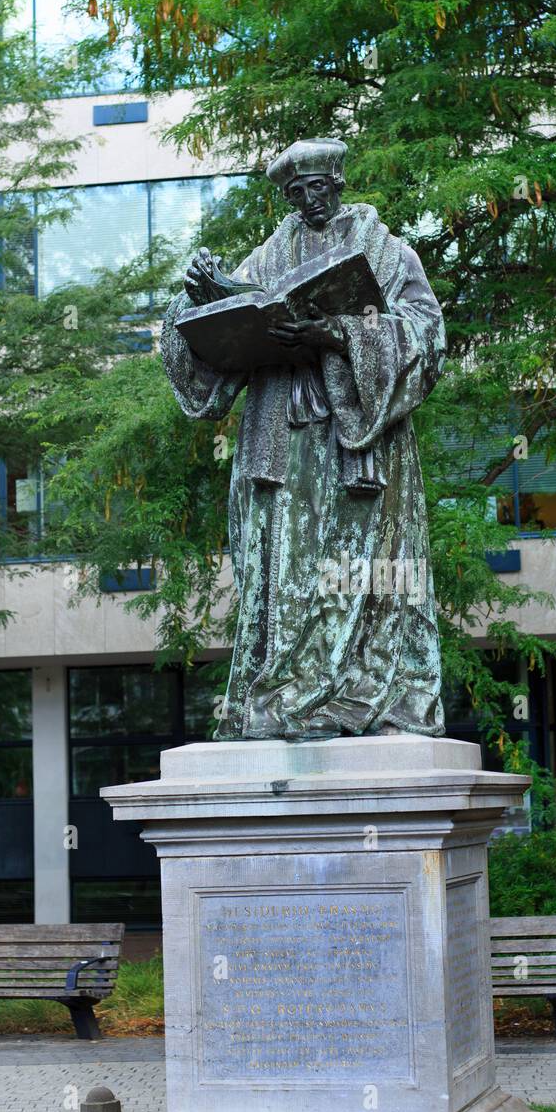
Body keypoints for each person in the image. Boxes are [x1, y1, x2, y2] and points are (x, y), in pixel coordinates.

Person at [161, 137, 446, 740]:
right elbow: (219, 345)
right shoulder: (266, 259)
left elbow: (427, 339)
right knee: (282, 565)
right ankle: (285, 693)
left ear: (337, 183)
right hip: (280, 444)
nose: (308, 201)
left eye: (317, 188)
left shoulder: (390, 256)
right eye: (295, 193)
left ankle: (361, 691)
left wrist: (339, 335)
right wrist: (198, 296)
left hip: (355, 445)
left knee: (358, 567)